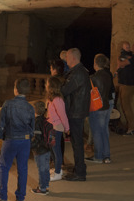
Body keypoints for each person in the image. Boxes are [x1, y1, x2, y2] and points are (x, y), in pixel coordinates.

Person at [0, 78, 35, 201]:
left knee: (4, 167)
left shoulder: (8, 104)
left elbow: (1, 123)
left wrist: (0, 135)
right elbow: (32, 126)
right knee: (22, 169)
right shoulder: (29, 107)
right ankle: (20, 199)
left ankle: (3, 196)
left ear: (16, 89)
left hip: (11, 139)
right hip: (25, 140)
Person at [61, 48, 91, 181]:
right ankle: (80, 168)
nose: (65, 60)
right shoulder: (81, 71)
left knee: (77, 142)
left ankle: (80, 173)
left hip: (75, 111)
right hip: (78, 110)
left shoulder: (77, 73)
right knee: (77, 141)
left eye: (67, 57)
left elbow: (64, 90)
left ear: (73, 58)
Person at [86, 54, 113, 164]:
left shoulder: (94, 77)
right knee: (104, 131)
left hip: (97, 108)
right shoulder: (107, 75)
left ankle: (98, 156)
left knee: (96, 132)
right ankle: (106, 156)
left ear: (95, 63)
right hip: (106, 106)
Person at [46, 76, 70, 181]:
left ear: (51, 86)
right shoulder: (51, 99)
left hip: (57, 128)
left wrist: (67, 128)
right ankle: (56, 168)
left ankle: (58, 172)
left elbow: (63, 115)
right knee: (52, 148)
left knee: (56, 150)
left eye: (47, 84)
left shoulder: (58, 100)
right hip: (52, 127)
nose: (45, 85)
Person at [31, 101, 51, 195]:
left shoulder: (37, 122)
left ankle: (42, 188)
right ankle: (46, 185)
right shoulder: (45, 120)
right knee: (46, 168)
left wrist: (30, 146)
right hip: (47, 148)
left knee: (41, 169)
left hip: (40, 149)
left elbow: (37, 138)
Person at [116, 41, 134, 135]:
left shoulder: (132, 57)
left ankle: (131, 128)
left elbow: (121, 64)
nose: (130, 48)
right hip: (125, 84)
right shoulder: (129, 56)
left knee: (126, 107)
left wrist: (118, 61)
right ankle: (124, 125)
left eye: (131, 46)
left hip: (127, 85)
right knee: (122, 105)